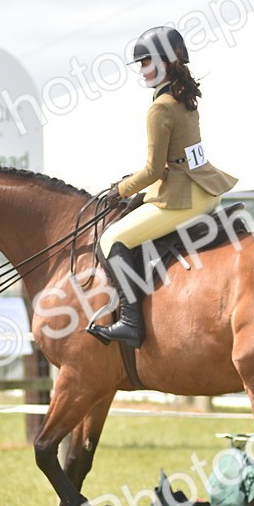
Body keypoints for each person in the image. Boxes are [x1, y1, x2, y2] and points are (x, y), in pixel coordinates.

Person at [86, 25, 239, 348]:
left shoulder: (160, 107)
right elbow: (177, 160)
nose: (142, 70)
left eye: (145, 62)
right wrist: (141, 191)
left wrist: (121, 190)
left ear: (164, 62)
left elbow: (153, 169)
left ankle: (131, 323)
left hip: (183, 199)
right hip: (206, 191)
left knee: (111, 238)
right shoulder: (185, 99)